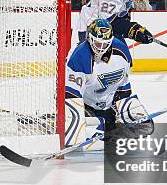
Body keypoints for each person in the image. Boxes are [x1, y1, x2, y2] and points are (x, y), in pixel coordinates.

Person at [64, 19, 150, 149]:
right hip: (86, 106)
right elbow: (71, 96)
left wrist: (121, 113)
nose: (101, 48)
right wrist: (75, 124)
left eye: (105, 44)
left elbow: (123, 87)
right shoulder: (79, 57)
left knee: (144, 128)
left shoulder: (122, 51)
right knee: (81, 136)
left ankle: (110, 124)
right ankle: (58, 122)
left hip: (108, 106)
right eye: (98, 43)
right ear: (89, 38)